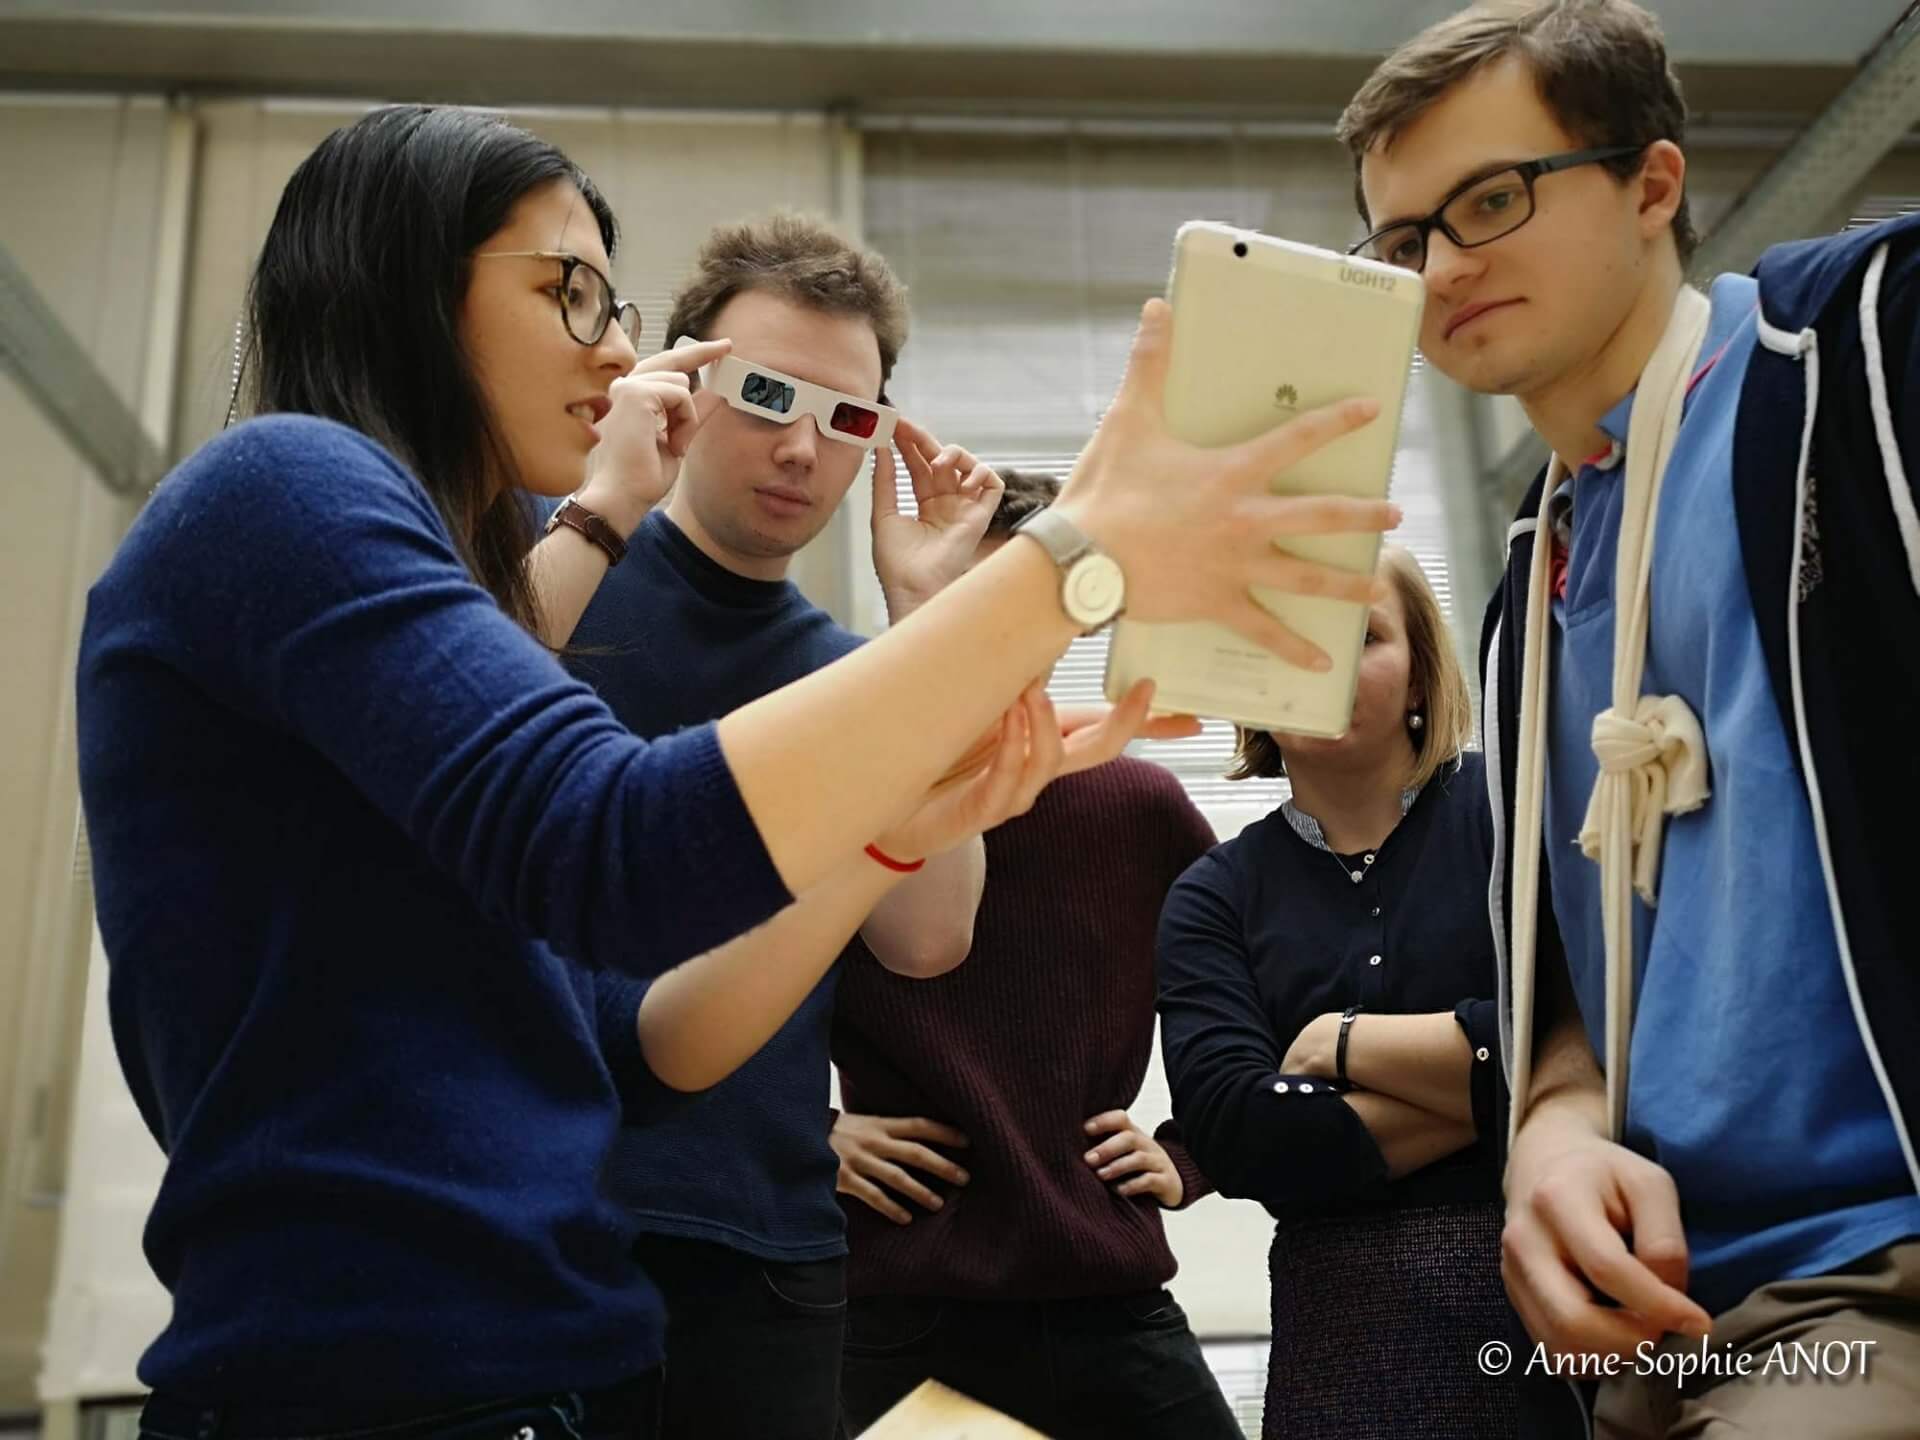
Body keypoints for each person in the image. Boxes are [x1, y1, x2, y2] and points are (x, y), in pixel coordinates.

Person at [75, 104, 1400, 1440]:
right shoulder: (289, 484)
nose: (614, 348)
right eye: (568, 292)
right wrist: (1069, 560)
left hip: (557, 1353)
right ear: (405, 281)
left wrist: (887, 836)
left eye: (613, 304)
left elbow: (658, 1039)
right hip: (372, 1377)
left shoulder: (459, 583)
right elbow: (612, 846)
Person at [1338, 3, 1920, 1435]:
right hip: (1644, 1320)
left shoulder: (1849, 355)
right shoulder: (1527, 593)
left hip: (1871, 1266)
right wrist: (1547, 1131)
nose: (1442, 268)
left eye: (1490, 200)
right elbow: (1582, 999)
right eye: (1403, 241)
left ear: (1653, 183)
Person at [539, 213, 1001, 1440]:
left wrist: (929, 625)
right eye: (765, 394)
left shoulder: (852, 674)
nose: (802, 447)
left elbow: (928, 937)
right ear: (684, 377)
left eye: (848, 418)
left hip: (758, 1250)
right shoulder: (556, 568)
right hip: (528, 1212)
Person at [829, 469, 1240, 1440]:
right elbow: (698, 982)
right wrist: (805, 1138)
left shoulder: (1139, 808)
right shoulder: (847, 792)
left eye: (1014, 606)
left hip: (1110, 1298)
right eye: (960, 601)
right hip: (907, 1313)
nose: (986, 633)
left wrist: (1191, 1155)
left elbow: (1259, 1007)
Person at [1158, 548, 1515, 1439]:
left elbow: (1603, 1036)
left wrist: (1339, 1042)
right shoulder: (1211, 895)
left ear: (1421, 674)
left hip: (1552, 1294)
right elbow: (1241, 1136)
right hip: (1341, 1343)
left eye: (1362, 635)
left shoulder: (1518, 817)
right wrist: (1510, 1092)